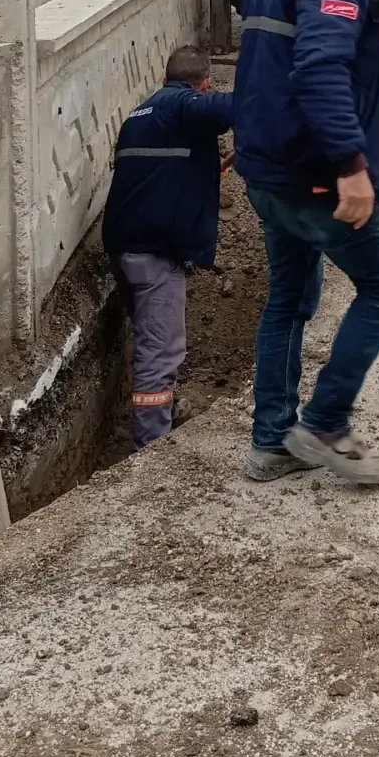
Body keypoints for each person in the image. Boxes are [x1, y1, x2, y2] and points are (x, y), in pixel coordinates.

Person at [233, 0, 379, 486]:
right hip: (313, 168)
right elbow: (319, 67)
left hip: (268, 163)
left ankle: (272, 442)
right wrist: (350, 165)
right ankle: (326, 422)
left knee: (288, 298)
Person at [101, 44, 233, 452]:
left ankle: (160, 416)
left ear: (163, 78)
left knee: (148, 340)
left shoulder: (141, 114)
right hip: (154, 255)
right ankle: (150, 450)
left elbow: (165, 170)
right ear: (205, 85)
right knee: (161, 354)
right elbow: (233, 108)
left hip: (124, 248)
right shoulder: (182, 106)